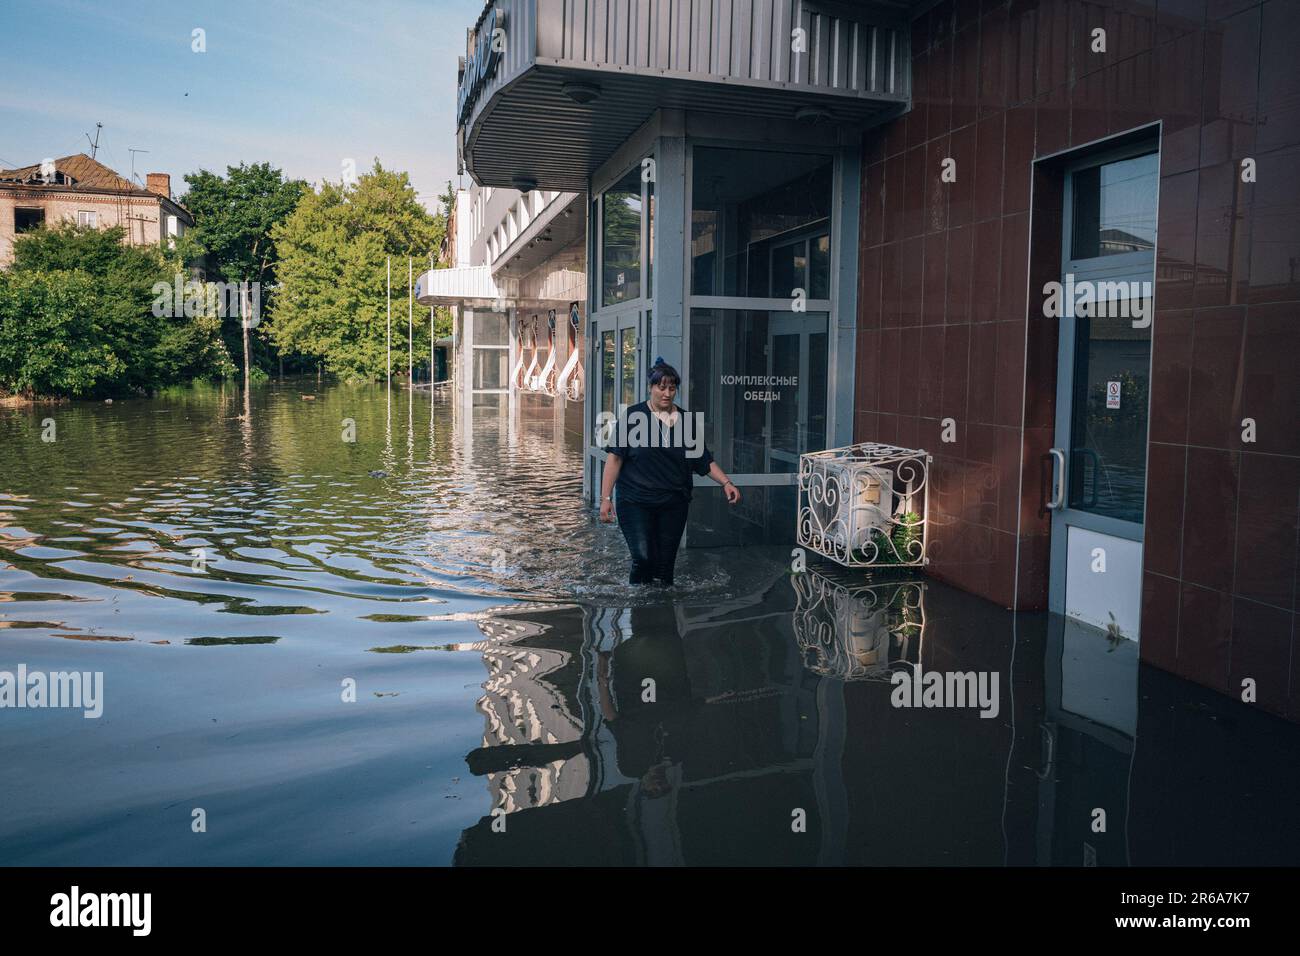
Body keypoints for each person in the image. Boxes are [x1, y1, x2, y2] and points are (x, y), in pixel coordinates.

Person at [599, 358, 740, 585]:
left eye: (672, 388)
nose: (667, 393)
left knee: (665, 568)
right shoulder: (633, 417)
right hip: (635, 501)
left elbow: (703, 461)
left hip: (673, 502)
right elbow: (614, 459)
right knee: (643, 558)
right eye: (661, 387)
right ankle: (638, 606)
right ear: (650, 388)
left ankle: (662, 612)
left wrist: (726, 483)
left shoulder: (686, 421)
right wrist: (606, 498)